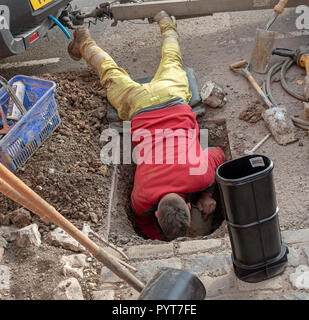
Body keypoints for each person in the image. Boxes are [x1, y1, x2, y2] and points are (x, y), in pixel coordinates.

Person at [68, 10, 226, 241]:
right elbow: (145, 223)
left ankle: (164, 21)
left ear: (190, 207)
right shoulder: (141, 198)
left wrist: (205, 188)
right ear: (188, 208)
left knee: (172, 60)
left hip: (172, 98)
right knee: (110, 73)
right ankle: (86, 41)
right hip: (138, 107)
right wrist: (206, 194)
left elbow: (216, 154)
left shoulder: (198, 175)